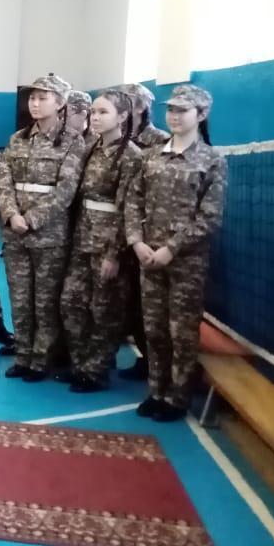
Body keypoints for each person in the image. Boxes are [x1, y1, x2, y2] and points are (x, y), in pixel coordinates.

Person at [126, 84, 226, 422]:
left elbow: (209, 216)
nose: (174, 116)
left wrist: (171, 248)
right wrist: (137, 242)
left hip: (186, 262)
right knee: (153, 329)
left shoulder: (212, 161)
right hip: (148, 257)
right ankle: (157, 390)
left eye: (183, 110)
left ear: (201, 114)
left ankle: (178, 396)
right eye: (171, 109)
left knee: (181, 332)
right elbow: (133, 201)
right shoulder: (151, 156)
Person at [0, 74, 86, 381]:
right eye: (32, 98)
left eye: (42, 98)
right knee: (20, 299)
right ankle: (23, 355)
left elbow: (66, 190)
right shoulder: (18, 139)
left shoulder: (73, 141)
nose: (35, 103)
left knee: (45, 301)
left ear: (60, 103)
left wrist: (31, 219)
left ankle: (41, 360)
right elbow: (3, 182)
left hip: (49, 235)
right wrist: (12, 215)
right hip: (15, 233)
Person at [59, 90, 142, 391]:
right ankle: (81, 363)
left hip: (108, 244)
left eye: (103, 112)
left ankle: (96, 371)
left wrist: (114, 253)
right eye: (93, 112)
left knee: (105, 310)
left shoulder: (131, 156)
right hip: (83, 239)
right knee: (71, 303)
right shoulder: (91, 148)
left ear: (122, 117)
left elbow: (129, 208)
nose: (95, 117)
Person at [115, 81, 171, 381]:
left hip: (146, 235)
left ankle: (153, 362)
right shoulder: (115, 139)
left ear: (138, 107)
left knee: (145, 303)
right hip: (118, 230)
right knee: (122, 300)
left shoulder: (159, 141)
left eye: (125, 102)